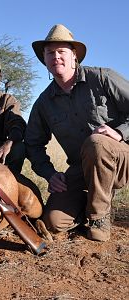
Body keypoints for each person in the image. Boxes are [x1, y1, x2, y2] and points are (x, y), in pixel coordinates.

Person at [25, 24, 129, 242]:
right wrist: (50, 174)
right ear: (44, 59)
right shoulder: (43, 103)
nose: (56, 57)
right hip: (81, 169)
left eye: (61, 51)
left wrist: (120, 132)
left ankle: (99, 216)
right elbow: (33, 144)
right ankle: (92, 200)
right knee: (53, 223)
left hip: (121, 159)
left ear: (74, 56)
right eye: (50, 53)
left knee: (97, 143)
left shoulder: (102, 78)